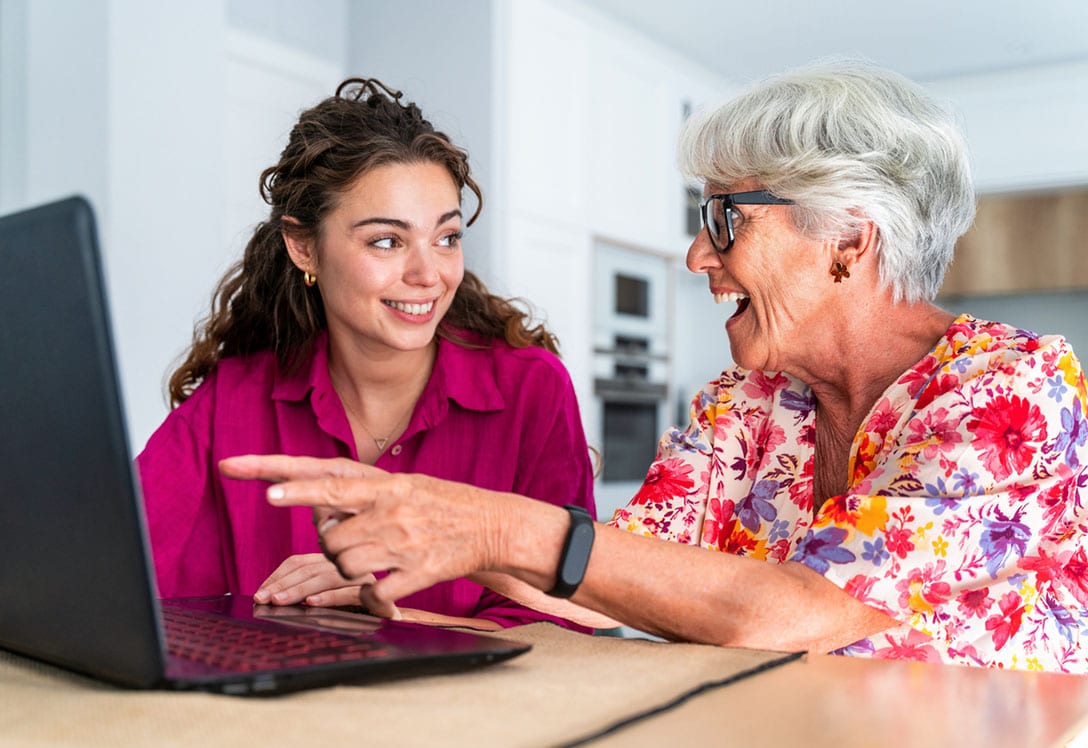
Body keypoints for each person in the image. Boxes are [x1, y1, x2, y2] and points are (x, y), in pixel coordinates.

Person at [220, 60, 1088, 672]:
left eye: (725, 218)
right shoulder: (750, 403)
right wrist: (418, 550)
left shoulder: (1008, 393)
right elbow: (607, 581)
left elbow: (793, 610)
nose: (696, 257)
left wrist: (487, 528)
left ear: (849, 239)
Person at [136, 77, 596, 631]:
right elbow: (114, 571)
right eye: (386, 241)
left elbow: (567, 624)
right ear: (303, 245)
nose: (429, 275)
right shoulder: (232, 399)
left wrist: (392, 617)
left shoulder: (532, 390)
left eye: (446, 238)